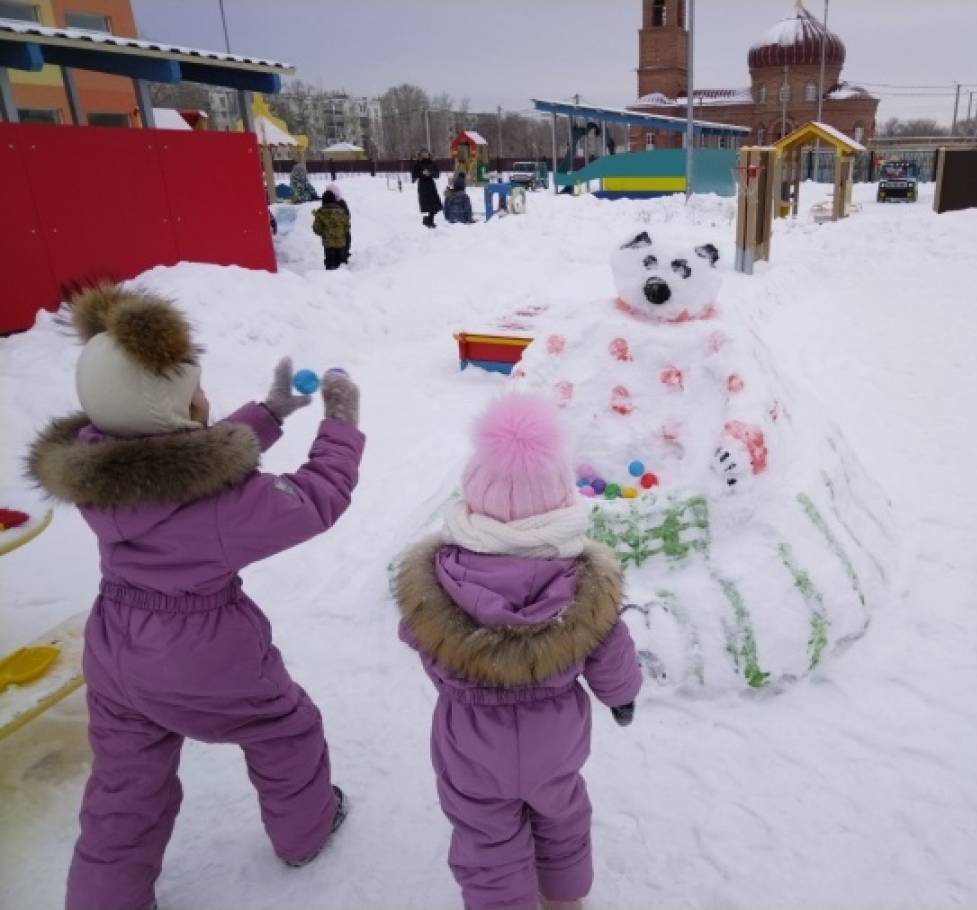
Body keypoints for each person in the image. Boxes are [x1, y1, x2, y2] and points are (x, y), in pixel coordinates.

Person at [26, 284, 365, 910]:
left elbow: (182, 460)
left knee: (125, 785)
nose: (205, 398)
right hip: (201, 657)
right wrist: (339, 425)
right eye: (194, 393)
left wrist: (270, 411)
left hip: (115, 652)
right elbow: (317, 498)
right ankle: (306, 831)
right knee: (285, 728)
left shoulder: (101, 469)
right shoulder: (218, 510)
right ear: (171, 412)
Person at [393, 394, 642, 910]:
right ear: (559, 505)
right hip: (556, 734)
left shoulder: (436, 584)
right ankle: (565, 898)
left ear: (474, 501)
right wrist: (623, 697)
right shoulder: (584, 588)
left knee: (484, 833)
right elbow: (611, 652)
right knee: (562, 813)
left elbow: (415, 635)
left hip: (469, 738)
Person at [312, 189, 350, 270]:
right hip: (341, 243)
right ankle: (344, 279)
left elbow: (317, 229)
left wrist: (324, 233)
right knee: (341, 265)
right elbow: (347, 226)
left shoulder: (320, 213)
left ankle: (330, 278)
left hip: (328, 244)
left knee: (330, 264)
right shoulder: (341, 211)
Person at [412, 149, 443, 228]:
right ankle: (430, 221)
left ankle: (427, 219)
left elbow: (437, 174)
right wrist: (422, 173)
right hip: (423, 186)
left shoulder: (432, 163)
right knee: (428, 205)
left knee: (436, 205)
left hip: (431, 185)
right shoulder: (418, 163)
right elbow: (414, 175)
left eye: (426, 153)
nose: (425, 154)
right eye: (423, 153)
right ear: (420, 154)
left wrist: (430, 173)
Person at [325, 182, 352, 262]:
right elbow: (347, 215)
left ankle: (338, 258)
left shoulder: (328, 202)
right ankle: (342, 258)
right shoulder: (340, 202)